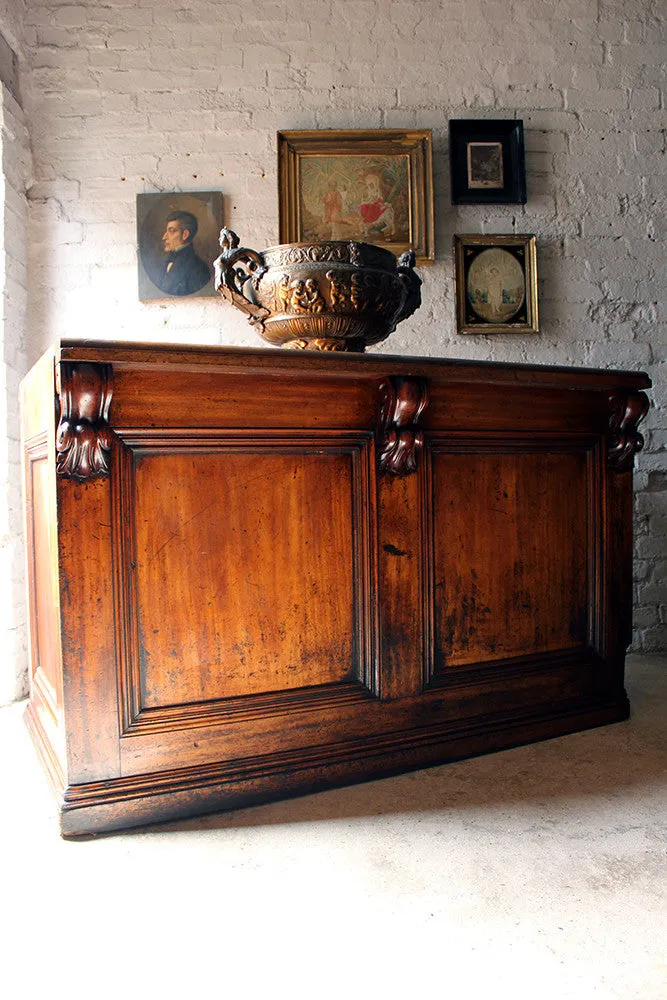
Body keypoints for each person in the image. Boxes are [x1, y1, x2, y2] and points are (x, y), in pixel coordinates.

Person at [157, 210, 211, 296]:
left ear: (185, 234)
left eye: (171, 231)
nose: (164, 237)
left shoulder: (198, 268)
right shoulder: (167, 260)